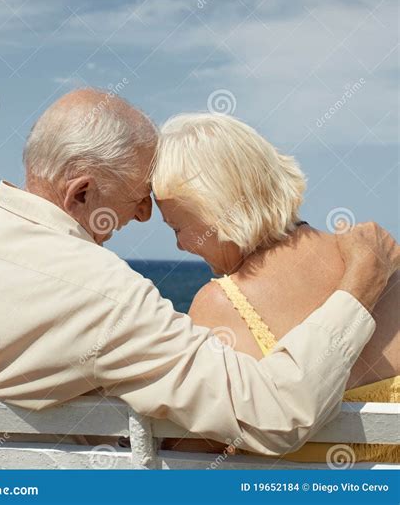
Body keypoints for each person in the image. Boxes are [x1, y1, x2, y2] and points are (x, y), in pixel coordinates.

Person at [0, 89, 398, 458]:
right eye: (137, 197)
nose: (144, 217)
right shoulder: (104, 293)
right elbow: (277, 415)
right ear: (83, 193)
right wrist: (361, 283)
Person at [152, 112, 399, 463]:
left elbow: (188, 454)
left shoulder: (221, 304)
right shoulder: (381, 265)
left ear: (215, 210)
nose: (179, 246)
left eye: (176, 227)